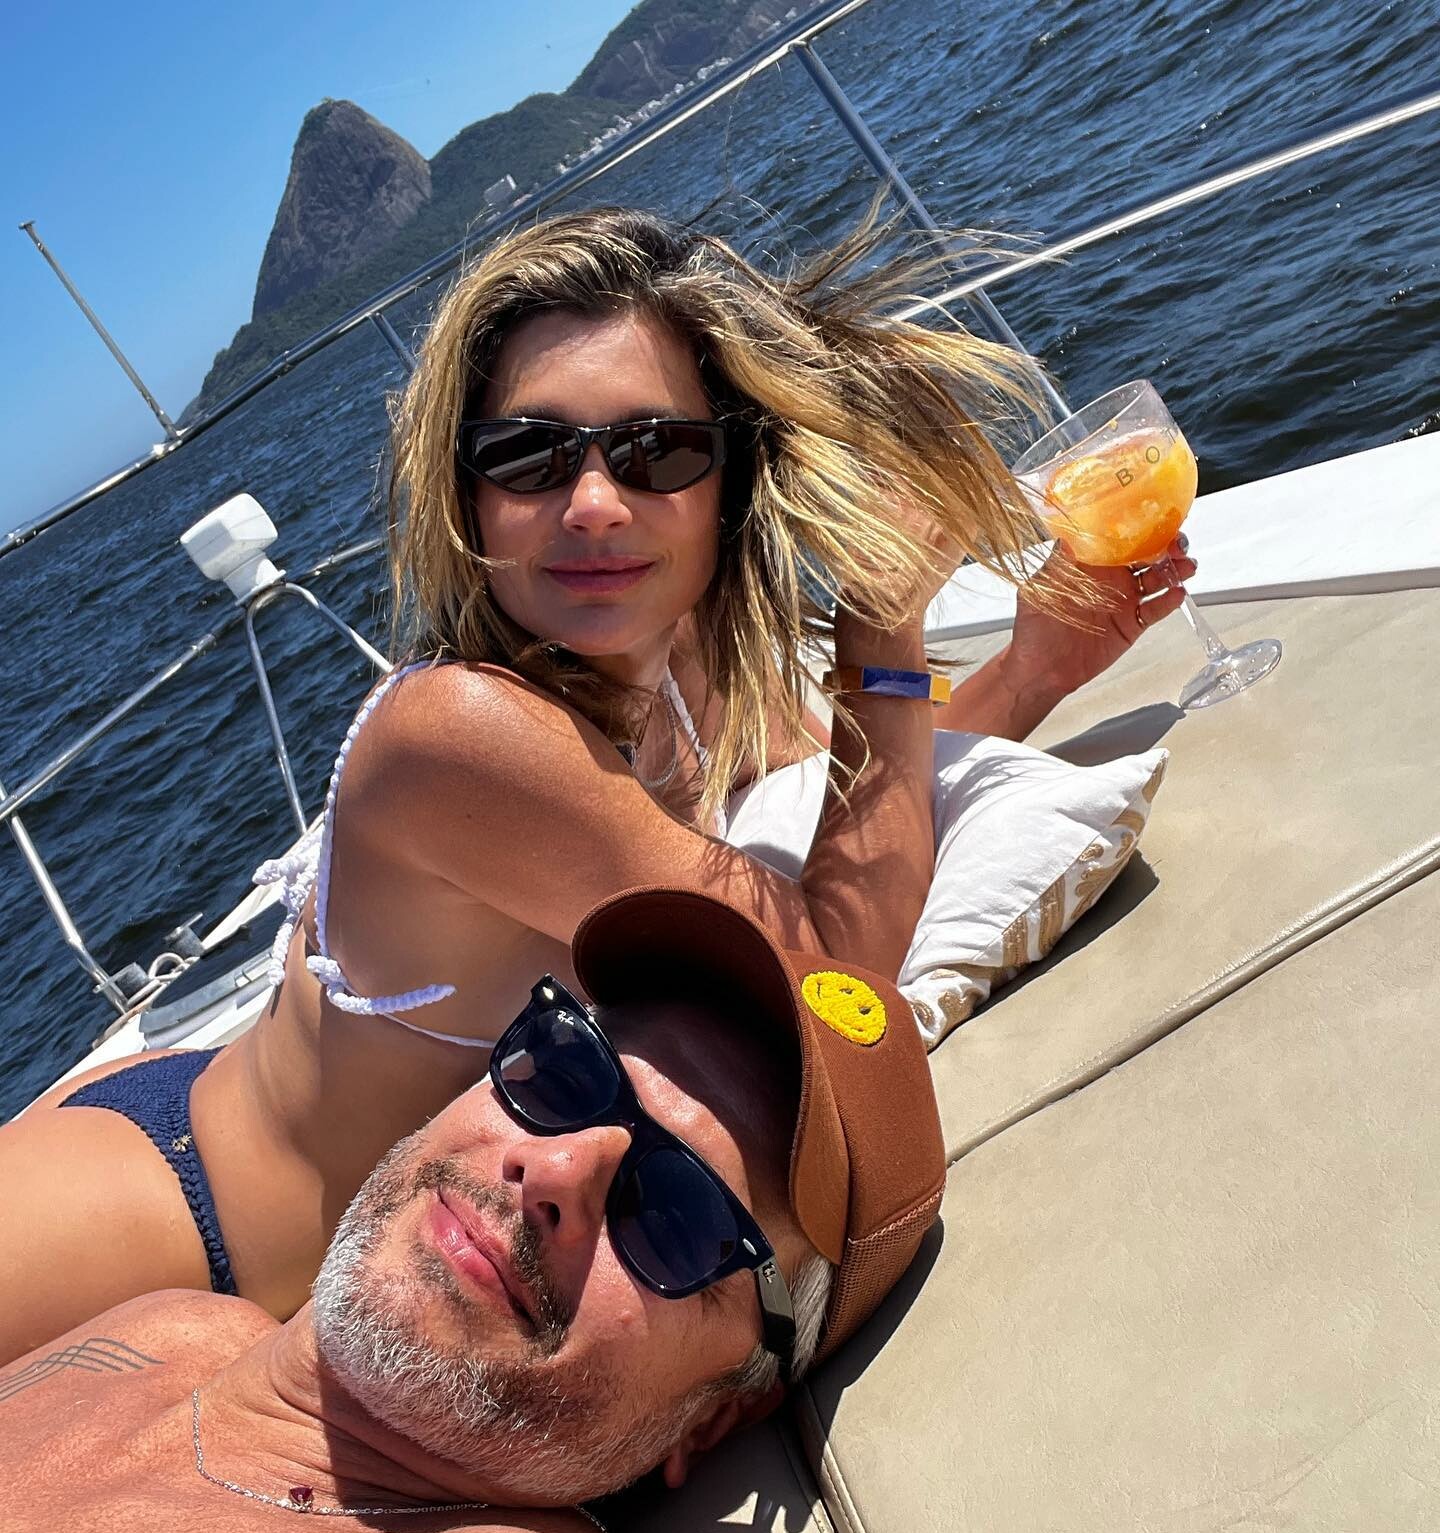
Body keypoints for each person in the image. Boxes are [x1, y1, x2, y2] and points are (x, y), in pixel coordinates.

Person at [0, 207, 1192, 1361]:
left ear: (726, 481)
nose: (593, 505)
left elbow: (851, 808)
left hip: (198, 1091)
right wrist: (882, 624)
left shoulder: (677, 651)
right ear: (466, 497)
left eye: (657, 450)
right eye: (529, 455)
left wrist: (1032, 671)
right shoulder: (467, 734)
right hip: (175, 1220)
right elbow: (833, 970)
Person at [0, 887, 945, 1533]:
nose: (552, 1164)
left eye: (677, 1214)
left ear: (716, 1414)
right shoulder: (162, 1326)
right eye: (570, 1069)